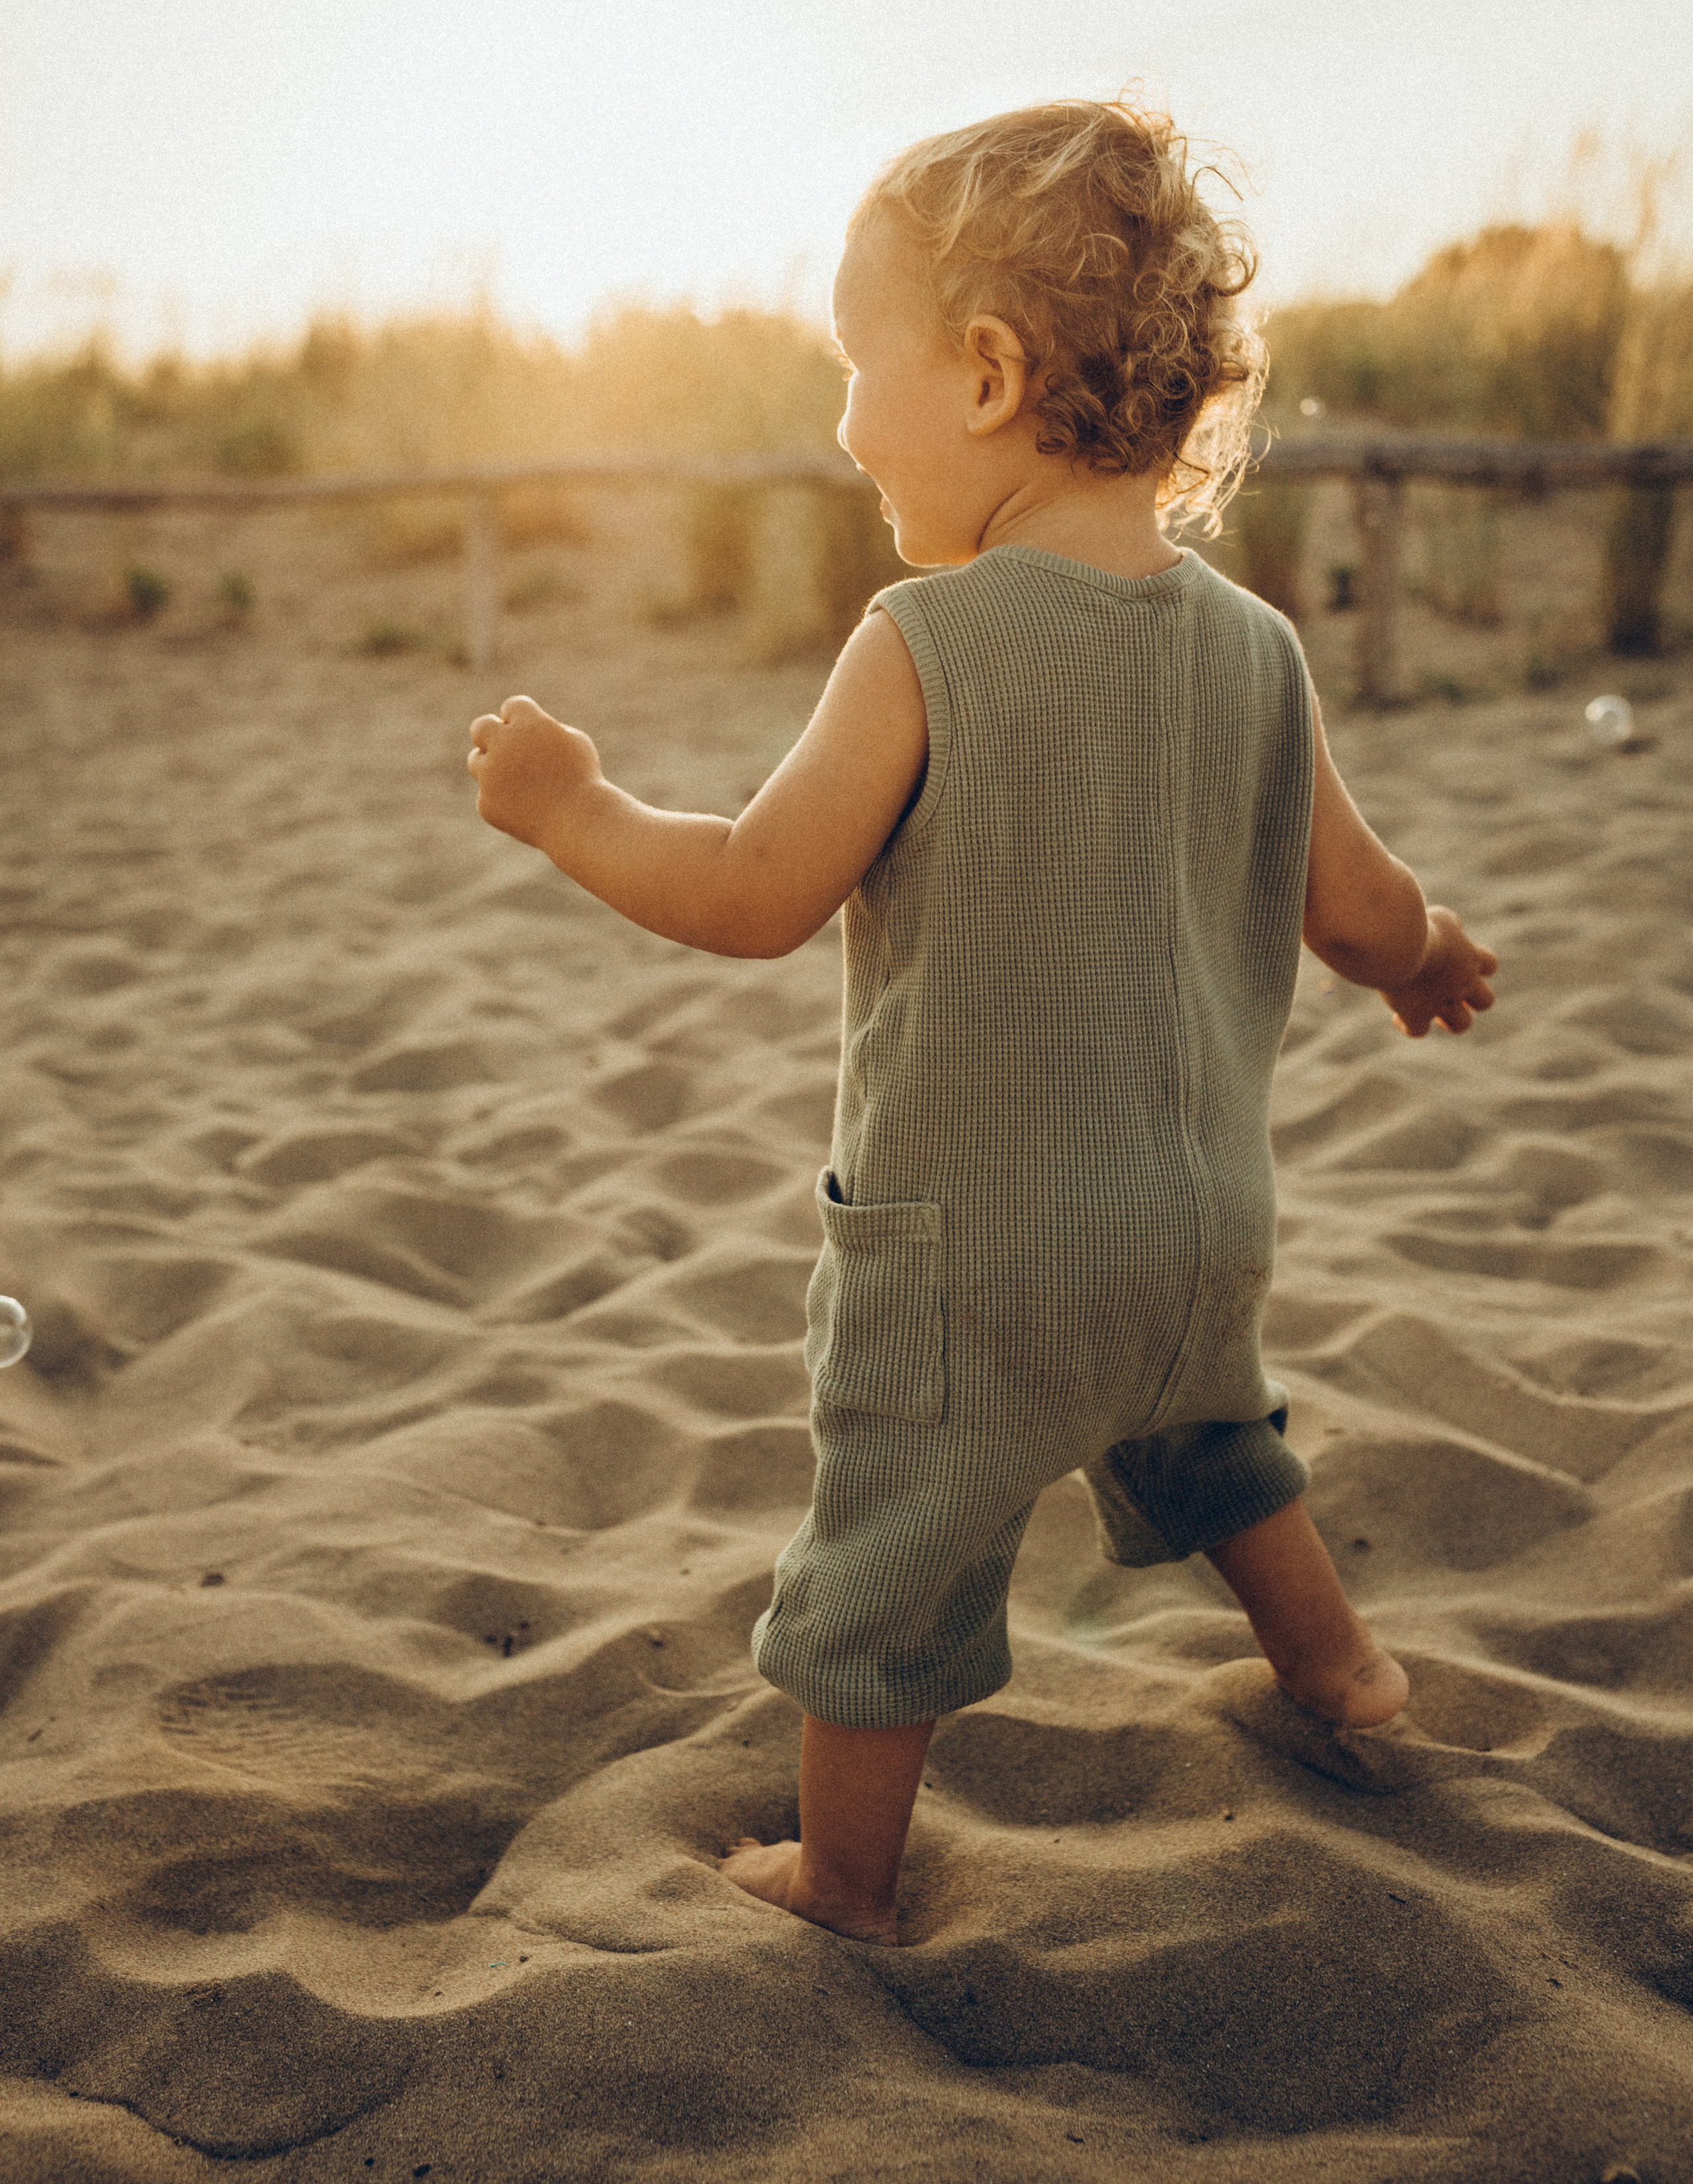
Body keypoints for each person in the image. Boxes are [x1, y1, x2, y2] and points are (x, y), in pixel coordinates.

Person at [467, 98, 1498, 1948]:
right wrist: (1429, 957)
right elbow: (1358, 907)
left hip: (973, 1257)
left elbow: (754, 891)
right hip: (1196, 1236)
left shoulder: (925, 640)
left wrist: (574, 811)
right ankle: (1341, 1675)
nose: (844, 419)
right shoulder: (1255, 647)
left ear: (988, 375)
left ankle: (842, 1877)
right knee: (1208, 1430)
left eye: (858, 367)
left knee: (892, 1546)